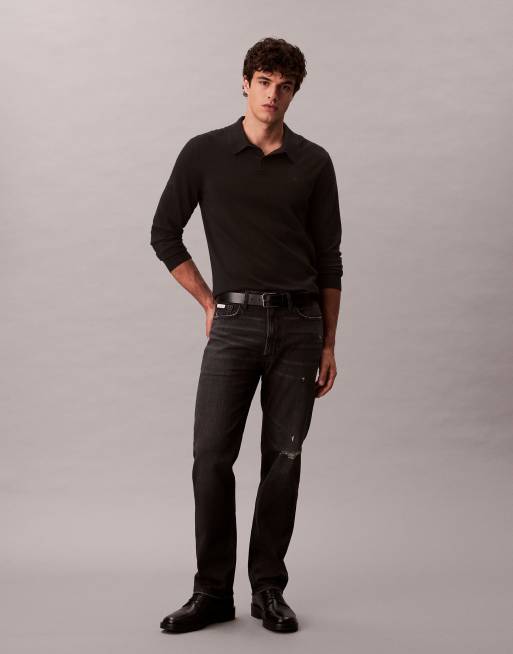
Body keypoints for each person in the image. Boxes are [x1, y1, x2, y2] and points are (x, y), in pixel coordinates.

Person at [150, 37, 343, 634]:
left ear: (295, 93)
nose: (272, 94)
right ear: (245, 82)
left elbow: (329, 259)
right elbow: (164, 233)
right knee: (211, 457)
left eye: (285, 86)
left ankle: (267, 589)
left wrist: (329, 342)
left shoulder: (314, 162)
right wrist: (207, 300)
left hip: (301, 327)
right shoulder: (205, 153)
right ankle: (211, 592)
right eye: (264, 82)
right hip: (233, 325)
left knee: (283, 460)